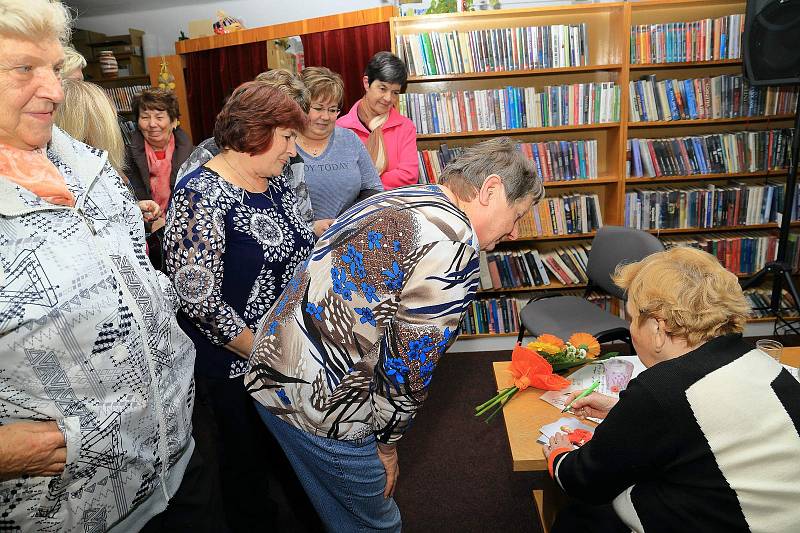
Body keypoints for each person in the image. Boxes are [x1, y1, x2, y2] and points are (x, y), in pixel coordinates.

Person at [0, 1, 224, 530]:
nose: (55, 89)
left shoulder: (80, 158)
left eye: (54, 68)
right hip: (77, 510)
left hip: (182, 463)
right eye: (24, 69)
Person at [245, 136, 544, 531]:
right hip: (320, 404)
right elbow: (407, 370)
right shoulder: (452, 246)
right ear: (490, 191)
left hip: (273, 368)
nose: (514, 234)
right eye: (517, 215)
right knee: (377, 523)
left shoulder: (405, 197)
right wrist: (386, 445)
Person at [543, 246, 800, 533]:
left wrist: (560, 455)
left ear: (656, 328)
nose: (630, 328)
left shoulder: (660, 389)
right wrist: (622, 412)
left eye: (630, 318)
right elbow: (719, 426)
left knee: (581, 515)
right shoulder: (763, 364)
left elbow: (583, 481)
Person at [164, 82, 316, 532]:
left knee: (296, 468)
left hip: (286, 355)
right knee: (246, 476)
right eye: (288, 137)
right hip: (237, 366)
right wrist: (266, 353)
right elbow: (198, 297)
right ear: (255, 132)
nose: (293, 150)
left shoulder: (275, 183)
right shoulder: (200, 194)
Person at [177, 68, 315, 234]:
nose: (291, 149)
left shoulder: (292, 160)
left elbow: (302, 217)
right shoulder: (208, 156)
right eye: (286, 134)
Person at [297, 66, 383, 236]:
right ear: (301, 106)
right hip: (301, 245)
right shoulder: (285, 144)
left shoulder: (349, 139)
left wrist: (347, 221)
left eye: (332, 109)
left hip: (349, 236)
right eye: (319, 108)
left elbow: (373, 189)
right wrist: (309, 228)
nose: (326, 117)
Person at [337, 51, 419, 190]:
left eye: (395, 92)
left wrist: (362, 182)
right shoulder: (340, 128)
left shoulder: (405, 127)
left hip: (394, 207)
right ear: (366, 83)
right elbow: (340, 179)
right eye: (382, 88)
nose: (388, 98)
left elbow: (409, 176)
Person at [125, 87, 194, 213]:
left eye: (159, 117)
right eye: (145, 117)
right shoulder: (126, 159)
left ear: (173, 122)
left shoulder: (194, 157)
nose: (152, 124)